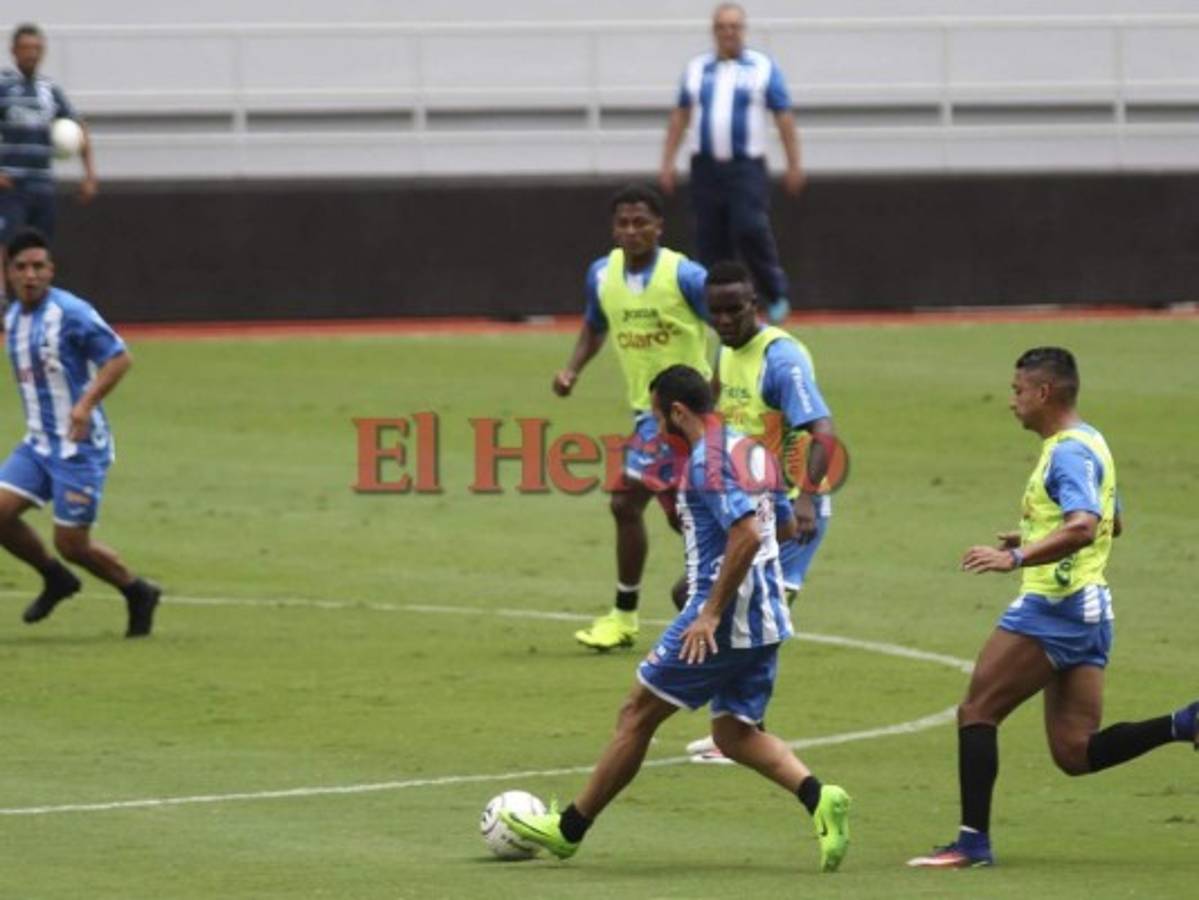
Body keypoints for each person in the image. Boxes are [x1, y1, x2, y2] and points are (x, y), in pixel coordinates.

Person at [502, 364, 852, 872]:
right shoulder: (752, 448)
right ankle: (821, 797)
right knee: (733, 733)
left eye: (658, 416)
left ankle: (568, 829)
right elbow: (779, 522)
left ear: (679, 412)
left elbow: (749, 534)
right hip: (767, 616)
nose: (656, 427)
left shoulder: (707, 462)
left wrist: (709, 611)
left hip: (727, 620)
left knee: (636, 713)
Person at [907, 347, 1198, 869]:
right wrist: (1038, 531)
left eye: (1018, 391)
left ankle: (972, 844)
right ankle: (1185, 723)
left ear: (1044, 393)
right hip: (1091, 608)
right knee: (1074, 752)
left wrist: (1015, 555)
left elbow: (1085, 526)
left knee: (977, 711)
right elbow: (1113, 523)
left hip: (1055, 608)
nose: (1012, 401)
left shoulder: (1066, 452)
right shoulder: (1094, 441)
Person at [680, 259, 838, 764]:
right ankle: (738, 728)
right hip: (751, 509)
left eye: (734, 310)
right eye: (716, 312)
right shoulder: (727, 354)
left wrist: (808, 497)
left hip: (792, 513)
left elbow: (824, 431)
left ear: (756, 306)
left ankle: (744, 731)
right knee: (734, 615)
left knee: (752, 619)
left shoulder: (781, 357)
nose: (724, 321)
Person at [554, 184, 711, 652]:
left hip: (687, 415)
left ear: (659, 226)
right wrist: (571, 369)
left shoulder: (684, 274)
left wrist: (721, 390)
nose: (632, 230)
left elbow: (730, 324)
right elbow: (595, 325)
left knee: (633, 503)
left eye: (641, 221)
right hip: (650, 414)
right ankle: (708, 591)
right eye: (623, 222)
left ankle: (645, 611)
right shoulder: (602, 275)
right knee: (676, 512)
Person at [0, 229, 159, 637]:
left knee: (72, 544)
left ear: (51, 271)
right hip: (37, 444)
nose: (31, 275)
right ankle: (56, 579)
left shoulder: (71, 313)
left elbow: (120, 358)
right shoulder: (14, 315)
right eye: (22, 267)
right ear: (9, 272)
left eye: (39, 267)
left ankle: (136, 590)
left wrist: (85, 405)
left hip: (79, 447)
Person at [659, 3, 804, 326]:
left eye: (734, 26)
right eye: (722, 27)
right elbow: (681, 115)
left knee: (750, 226)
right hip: (706, 167)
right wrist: (667, 160)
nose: (729, 33)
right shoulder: (697, 69)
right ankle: (715, 306)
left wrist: (794, 162)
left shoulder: (761, 68)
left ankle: (774, 292)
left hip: (745, 167)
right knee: (710, 237)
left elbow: (783, 117)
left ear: (744, 30)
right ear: (714, 31)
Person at [0, 23, 98, 302]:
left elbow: (78, 128)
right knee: (5, 241)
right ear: (14, 51)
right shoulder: (4, 87)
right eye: (26, 48)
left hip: (42, 182)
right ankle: (2, 299)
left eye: (37, 48)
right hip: (12, 183)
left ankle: (35, 300)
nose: (31, 54)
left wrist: (89, 175)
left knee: (39, 245)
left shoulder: (49, 90)